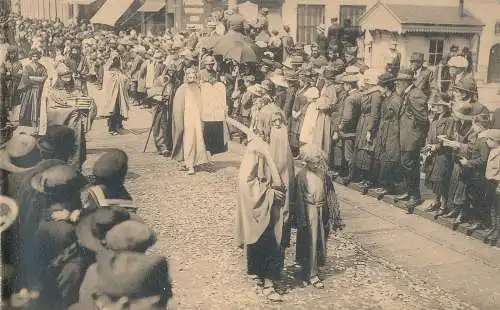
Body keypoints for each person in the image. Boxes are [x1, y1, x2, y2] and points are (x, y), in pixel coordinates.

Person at [236, 103, 294, 303]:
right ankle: (265, 280)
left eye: (281, 121)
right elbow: (245, 181)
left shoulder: (284, 146)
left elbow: (290, 175)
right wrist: (268, 194)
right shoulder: (257, 148)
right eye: (274, 122)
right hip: (265, 203)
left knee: (280, 239)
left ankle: (271, 276)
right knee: (265, 238)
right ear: (265, 125)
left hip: (282, 205)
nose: (278, 126)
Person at [295, 144, 343, 289]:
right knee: (310, 241)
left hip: (322, 210)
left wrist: (335, 215)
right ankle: (310, 273)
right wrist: (301, 217)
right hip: (308, 211)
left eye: (318, 162)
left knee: (320, 241)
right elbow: (297, 198)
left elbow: (331, 195)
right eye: (313, 163)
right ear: (306, 161)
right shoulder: (301, 176)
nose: (316, 165)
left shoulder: (323, 175)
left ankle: (314, 268)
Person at [396, 67, 429, 213]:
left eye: (400, 81)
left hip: (412, 138)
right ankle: (410, 192)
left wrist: (417, 138)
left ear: (406, 81)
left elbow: (423, 119)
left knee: (409, 165)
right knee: (406, 164)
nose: (397, 83)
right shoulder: (408, 93)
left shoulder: (416, 95)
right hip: (406, 136)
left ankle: (415, 196)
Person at [171, 67, 208, 175]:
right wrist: (179, 122)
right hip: (187, 119)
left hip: (198, 118)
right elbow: (178, 107)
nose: (191, 77)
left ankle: (195, 161)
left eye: (193, 75)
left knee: (198, 139)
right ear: (186, 76)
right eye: (189, 76)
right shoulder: (182, 89)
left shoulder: (198, 87)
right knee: (189, 140)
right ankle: (189, 164)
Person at [423, 96, 454, 214]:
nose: (439, 108)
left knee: (441, 179)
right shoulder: (435, 119)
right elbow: (429, 134)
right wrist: (428, 145)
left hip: (443, 154)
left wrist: (436, 147)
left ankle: (444, 204)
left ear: (447, 107)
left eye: (442, 106)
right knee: (433, 178)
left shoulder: (450, 120)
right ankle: (436, 201)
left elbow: (449, 137)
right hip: (432, 153)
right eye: (437, 105)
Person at [373, 72, 401, 195]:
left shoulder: (395, 100)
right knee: (383, 157)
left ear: (386, 87)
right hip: (385, 130)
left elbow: (398, 119)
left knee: (390, 158)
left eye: (380, 88)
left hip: (393, 132)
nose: (379, 91)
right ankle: (385, 185)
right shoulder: (387, 99)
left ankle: (390, 187)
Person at [355, 70, 382, 189]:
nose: (364, 84)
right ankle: (365, 177)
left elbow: (375, 114)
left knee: (368, 151)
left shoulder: (376, 94)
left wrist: (370, 130)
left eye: (366, 82)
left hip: (368, 124)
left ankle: (370, 179)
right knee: (362, 151)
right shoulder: (369, 93)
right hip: (363, 122)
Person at [334, 70, 362, 185]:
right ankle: (351, 174)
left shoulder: (350, 98)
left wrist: (340, 126)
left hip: (348, 131)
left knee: (348, 155)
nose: (343, 86)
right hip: (356, 129)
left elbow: (347, 117)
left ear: (349, 85)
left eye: (344, 84)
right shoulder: (359, 95)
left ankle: (351, 176)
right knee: (352, 153)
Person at [200, 56, 228, 156]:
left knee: (214, 123)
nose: (210, 66)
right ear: (205, 64)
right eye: (208, 64)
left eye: (212, 64)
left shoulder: (216, 74)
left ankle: (214, 146)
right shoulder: (201, 73)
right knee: (206, 123)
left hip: (213, 101)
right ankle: (205, 145)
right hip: (204, 100)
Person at [17, 48, 47, 130]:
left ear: (39, 57)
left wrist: (32, 78)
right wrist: (37, 79)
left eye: (36, 56)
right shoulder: (27, 67)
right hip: (28, 90)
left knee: (37, 106)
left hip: (39, 90)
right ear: (31, 57)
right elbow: (25, 79)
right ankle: (25, 123)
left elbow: (44, 78)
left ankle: (35, 123)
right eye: (33, 56)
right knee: (27, 105)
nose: (35, 58)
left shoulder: (42, 67)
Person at [101, 51, 130, 135]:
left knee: (120, 109)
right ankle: (112, 128)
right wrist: (117, 78)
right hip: (112, 94)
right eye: (114, 59)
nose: (116, 61)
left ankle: (118, 125)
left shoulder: (120, 69)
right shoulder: (108, 69)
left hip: (120, 93)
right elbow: (108, 82)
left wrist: (124, 78)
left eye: (117, 58)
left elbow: (124, 78)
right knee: (112, 110)